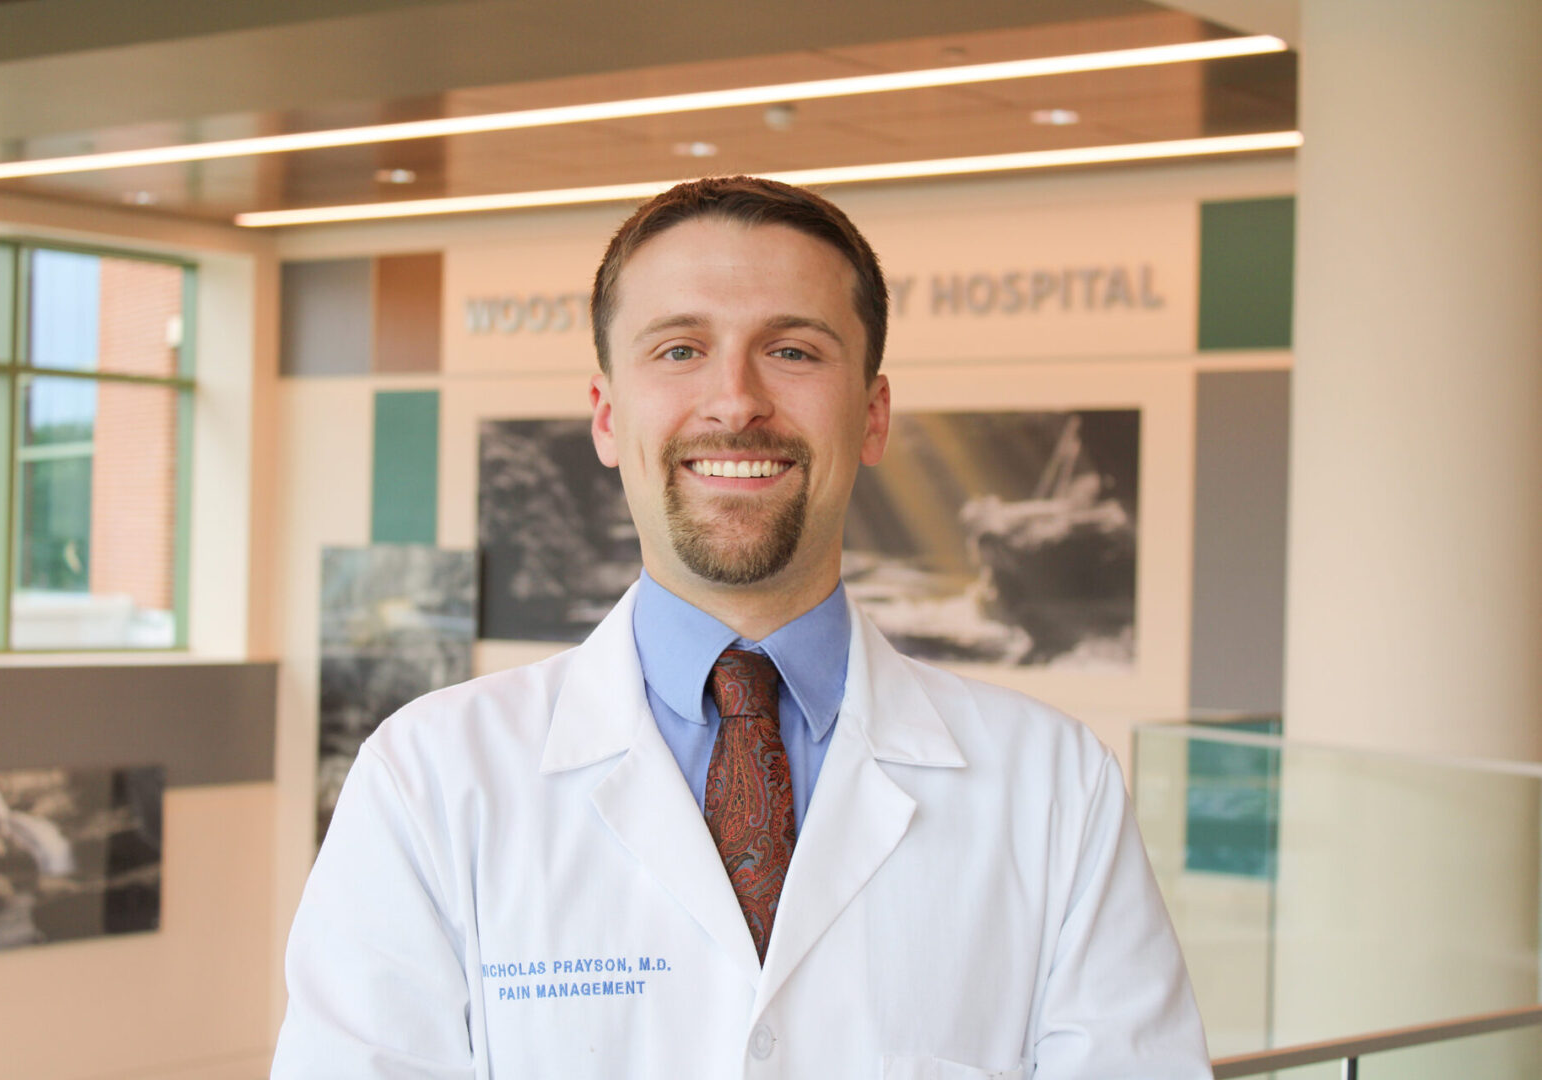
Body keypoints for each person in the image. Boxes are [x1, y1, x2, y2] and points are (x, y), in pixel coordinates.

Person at [272, 176, 1212, 1079]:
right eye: (679, 350)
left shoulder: (1055, 787)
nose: (736, 402)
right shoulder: (431, 778)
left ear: (873, 415)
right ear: (607, 416)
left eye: (794, 351)